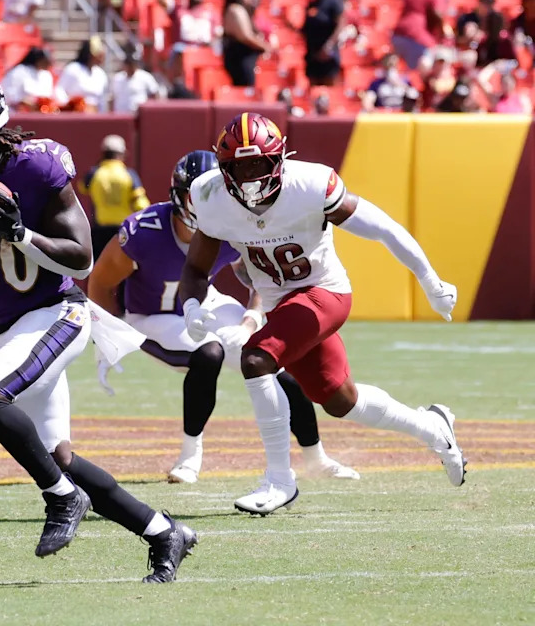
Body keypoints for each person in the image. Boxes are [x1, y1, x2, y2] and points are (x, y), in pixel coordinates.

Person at [0, 64, 197, 582]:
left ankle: (64, 501)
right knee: (57, 455)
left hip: (58, 313)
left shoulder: (36, 166)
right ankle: (163, 531)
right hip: (8, 327)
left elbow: (83, 259)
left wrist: (22, 235)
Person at [181, 113, 465, 516]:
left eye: (256, 165)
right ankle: (435, 429)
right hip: (283, 304)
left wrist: (431, 281)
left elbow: (384, 228)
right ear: (222, 169)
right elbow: (195, 269)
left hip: (324, 291)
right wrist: (192, 305)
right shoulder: (210, 198)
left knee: (256, 358)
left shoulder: (311, 185)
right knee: (340, 400)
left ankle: (279, 480)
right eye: (238, 167)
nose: (248, 178)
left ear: (278, 160)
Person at [87, 150, 359, 483]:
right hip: (150, 314)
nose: (207, 205)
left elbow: (261, 276)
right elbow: (101, 280)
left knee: (278, 361)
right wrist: (108, 335)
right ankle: (189, 457)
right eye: (198, 197)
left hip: (204, 304)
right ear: (179, 197)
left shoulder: (234, 222)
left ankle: (316, 457)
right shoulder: (145, 231)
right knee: (209, 352)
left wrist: (251, 318)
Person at [78, 134, 149, 260]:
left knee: (100, 267)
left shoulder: (95, 173)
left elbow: (82, 187)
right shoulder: (129, 174)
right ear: (122, 154)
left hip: (100, 229)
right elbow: (141, 205)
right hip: (123, 229)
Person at [222, 0, 272, 86]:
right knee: (245, 87)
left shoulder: (242, 10)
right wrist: (264, 46)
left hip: (243, 58)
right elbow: (245, 36)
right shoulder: (235, 9)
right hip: (240, 58)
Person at [392, 0, 450, 71]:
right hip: (417, 36)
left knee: (405, 71)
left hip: (398, 34)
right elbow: (437, 13)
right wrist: (442, 32)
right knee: (421, 73)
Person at [302, 0, 350, 86]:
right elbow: (305, 30)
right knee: (314, 91)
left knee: (330, 90)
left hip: (328, 56)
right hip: (313, 55)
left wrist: (329, 45)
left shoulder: (334, 2)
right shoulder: (312, 4)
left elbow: (340, 25)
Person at [55, 37, 109, 112]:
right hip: (76, 115)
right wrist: (70, 106)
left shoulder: (101, 74)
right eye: (99, 54)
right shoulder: (73, 68)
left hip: (95, 116)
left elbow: (102, 100)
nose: (102, 57)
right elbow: (59, 89)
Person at [0, 46, 55, 111]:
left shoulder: (46, 74)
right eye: (45, 61)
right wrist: (24, 102)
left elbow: (48, 95)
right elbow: (9, 94)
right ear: (38, 60)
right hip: (17, 112)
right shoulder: (19, 71)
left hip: (41, 112)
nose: (48, 64)